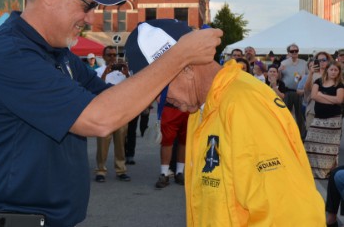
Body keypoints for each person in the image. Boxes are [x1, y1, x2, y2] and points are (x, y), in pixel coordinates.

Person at [0, 0, 222, 227]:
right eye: (87, 6)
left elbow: (115, 100)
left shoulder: (59, 54)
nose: (90, 18)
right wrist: (179, 56)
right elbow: (99, 119)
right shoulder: (10, 54)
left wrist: (185, 90)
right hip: (14, 221)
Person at [125, 19, 325, 226]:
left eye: (159, 90)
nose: (159, 101)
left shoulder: (244, 105)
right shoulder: (202, 108)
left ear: (187, 69)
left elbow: (293, 213)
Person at [94, 46, 131, 182]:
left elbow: (130, 89)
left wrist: (127, 74)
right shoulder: (98, 72)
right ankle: (101, 170)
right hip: (104, 112)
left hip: (120, 112)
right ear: (103, 57)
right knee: (103, 143)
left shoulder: (122, 73)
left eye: (114, 55)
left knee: (120, 143)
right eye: (109, 55)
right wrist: (105, 72)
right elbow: (97, 88)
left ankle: (121, 169)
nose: (112, 57)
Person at [304, 61, 344, 179]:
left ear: (338, 72)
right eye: (331, 69)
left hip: (333, 121)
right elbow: (313, 96)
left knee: (329, 148)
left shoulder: (340, 85)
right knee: (310, 142)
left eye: (336, 70)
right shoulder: (318, 81)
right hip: (318, 119)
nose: (333, 72)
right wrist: (326, 97)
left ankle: (325, 172)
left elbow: (339, 100)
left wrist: (322, 95)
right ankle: (310, 171)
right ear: (327, 70)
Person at [155, 104, 189, 188]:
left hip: (188, 107)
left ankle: (179, 172)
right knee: (166, 141)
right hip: (170, 106)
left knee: (184, 140)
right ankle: (164, 173)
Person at [279, 43, 308, 139]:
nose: (294, 52)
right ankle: (285, 135)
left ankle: (301, 136)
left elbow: (308, 76)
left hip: (300, 91)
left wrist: (303, 80)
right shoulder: (284, 63)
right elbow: (279, 78)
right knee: (285, 114)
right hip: (287, 91)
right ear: (288, 52)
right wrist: (279, 71)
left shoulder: (304, 62)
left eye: (296, 50)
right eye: (292, 51)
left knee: (300, 115)